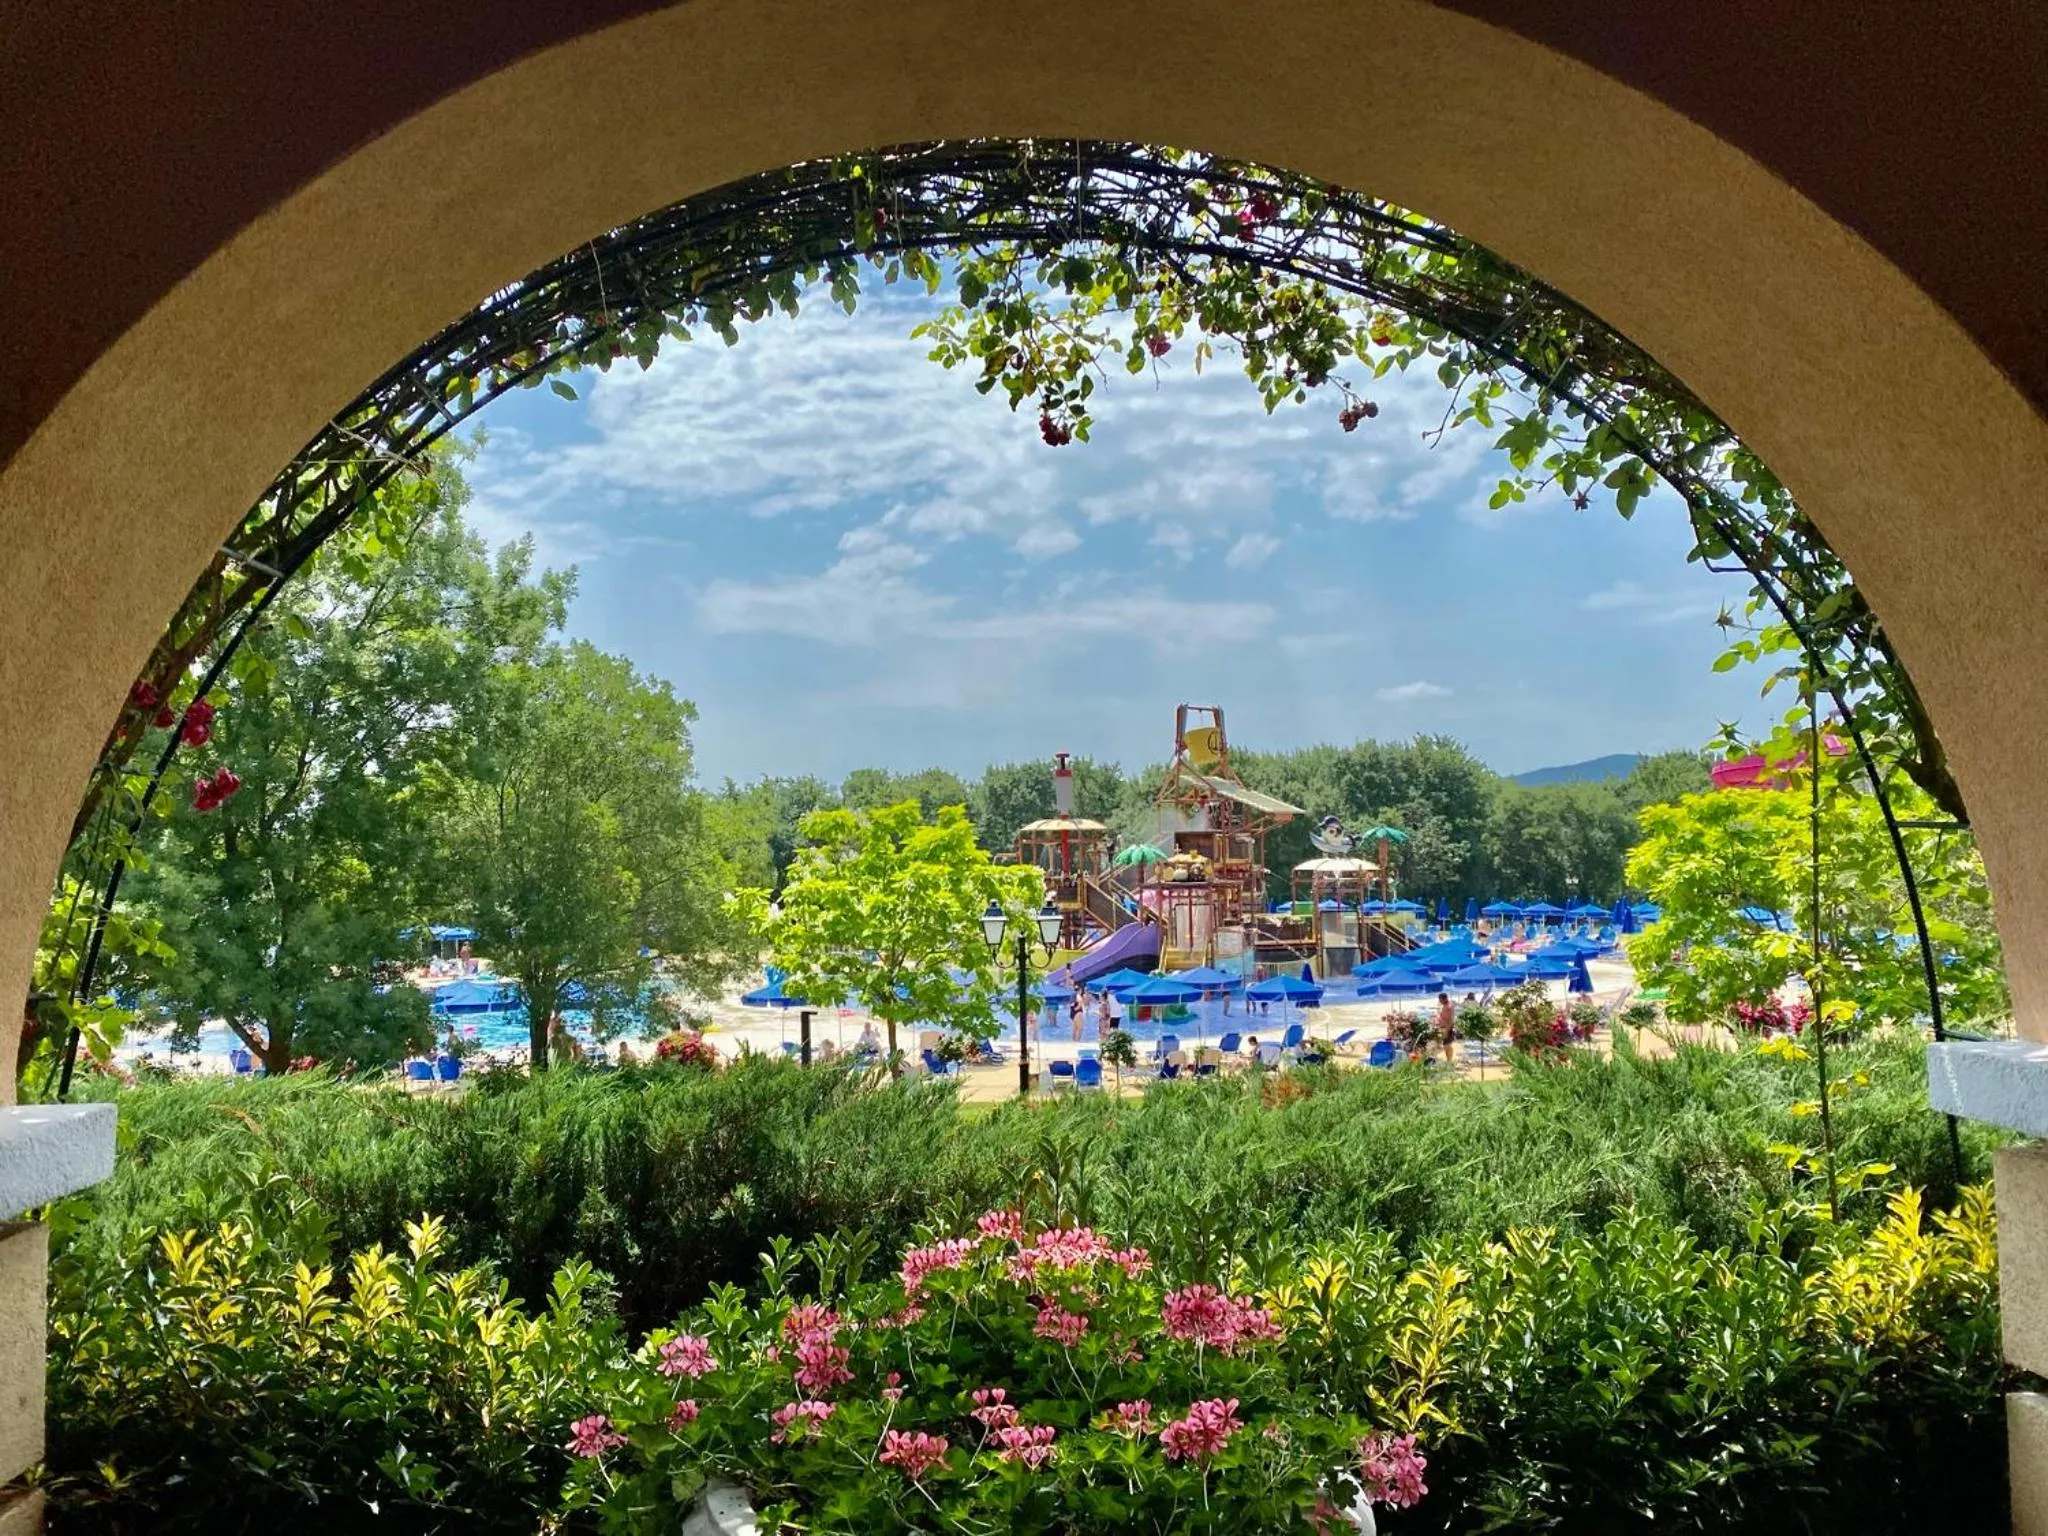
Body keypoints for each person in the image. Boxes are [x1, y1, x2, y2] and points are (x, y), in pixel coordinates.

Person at [1435, 991, 1457, 1065]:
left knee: (1447, 1045)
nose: (1439, 1001)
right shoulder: (1445, 1005)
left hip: (1447, 1028)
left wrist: (1447, 1029)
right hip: (1443, 1027)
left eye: (1440, 1000)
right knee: (1445, 1045)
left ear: (1444, 999)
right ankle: (1448, 1060)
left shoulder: (1449, 1007)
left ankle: (1449, 1061)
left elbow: (1451, 1019)